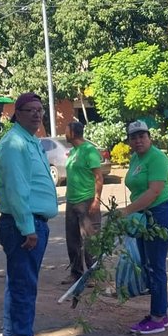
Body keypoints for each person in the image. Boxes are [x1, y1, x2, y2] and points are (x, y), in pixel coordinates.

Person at [0, 92, 59, 336]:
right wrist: (27, 228)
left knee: (19, 282)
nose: (37, 114)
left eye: (40, 110)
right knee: (24, 285)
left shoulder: (30, 141)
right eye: (30, 110)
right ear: (17, 114)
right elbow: (17, 189)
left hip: (32, 222)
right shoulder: (15, 144)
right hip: (25, 224)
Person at [120, 120, 168, 335]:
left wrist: (127, 211)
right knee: (147, 264)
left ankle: (157, 318)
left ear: (149, 137)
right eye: (133, 137)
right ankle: (160, 311)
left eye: (142, 136)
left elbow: (154, 191)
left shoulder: (157, 158)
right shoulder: (135, 158)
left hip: (160, 214)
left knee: (155, 266)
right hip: (143, 217)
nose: (138, 140)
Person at [62, 121, 104, 283]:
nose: (65, 134)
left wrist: (96, 200)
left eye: (66, 130)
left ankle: (94, 275)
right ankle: (76, 273)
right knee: (72, 239)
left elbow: (98, 177)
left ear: (73, 133)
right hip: (71, 201)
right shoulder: (73, 151)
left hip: (87, 201)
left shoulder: (89, 151)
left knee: (90, 240)